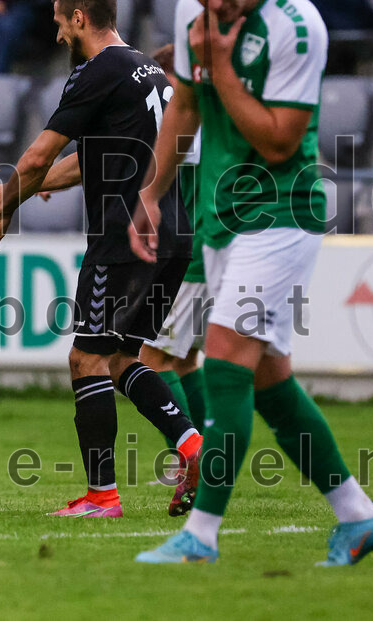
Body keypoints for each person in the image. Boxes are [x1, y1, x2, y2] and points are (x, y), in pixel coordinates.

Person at [130, 0, 373, 565]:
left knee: (220, 361)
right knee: (272, 383)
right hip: (222, 221)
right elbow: (185, 112)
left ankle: (202, 534)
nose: (212, 3)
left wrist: (220, 66)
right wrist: (149, 192)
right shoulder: (190, 13)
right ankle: (358, 515)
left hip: (280, 215)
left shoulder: (297, 25)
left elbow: (278, 138)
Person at [0, 0, 202, 519]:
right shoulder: (148, 71)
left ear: (79, 17)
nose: (56, 36)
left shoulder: (95, 72)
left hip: (123, 236)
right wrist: (30, 187)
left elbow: (36, 157)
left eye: (58, 23)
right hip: (173, 236)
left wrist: (7, 202)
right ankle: (193, 447)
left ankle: (102, 498)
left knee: (86, 358)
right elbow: (82, 163)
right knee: (124, 358)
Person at [138, 44, 209, 460]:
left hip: (191, 259)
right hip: (212, 250)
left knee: (151, 358)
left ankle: (191, 458)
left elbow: (138, 168)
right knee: (185, 360)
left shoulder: (181, 124)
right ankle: (214, 457)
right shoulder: (207, 119)